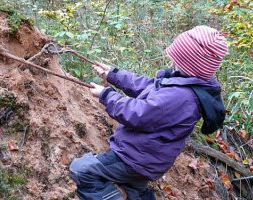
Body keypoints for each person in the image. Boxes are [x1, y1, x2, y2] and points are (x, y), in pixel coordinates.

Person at [69, 25, 228, 200]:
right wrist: (113, 75)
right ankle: (138, 193)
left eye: (176, 57)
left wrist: (107, 95)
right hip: (147, 159)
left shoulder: (180, 96)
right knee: (134, 186)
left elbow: (138, 114)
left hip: (134, 160)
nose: (171, 60)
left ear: (188, 63)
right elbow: (146, 86)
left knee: (82, 170)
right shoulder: (183, 84)